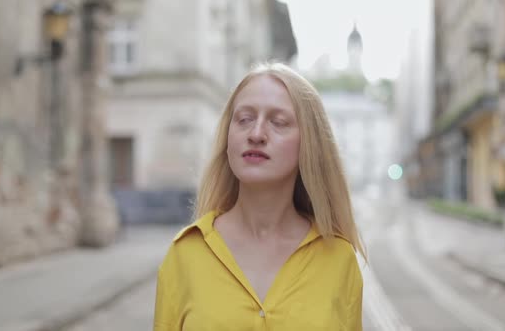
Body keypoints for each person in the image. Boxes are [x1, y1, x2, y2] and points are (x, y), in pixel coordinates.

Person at [153, 63, 366, 330]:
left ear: (308, 144)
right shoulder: (185, 254)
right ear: (228, 137)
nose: (256, 134)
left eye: (278, 123)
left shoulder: (338, 258)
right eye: (244, 119)